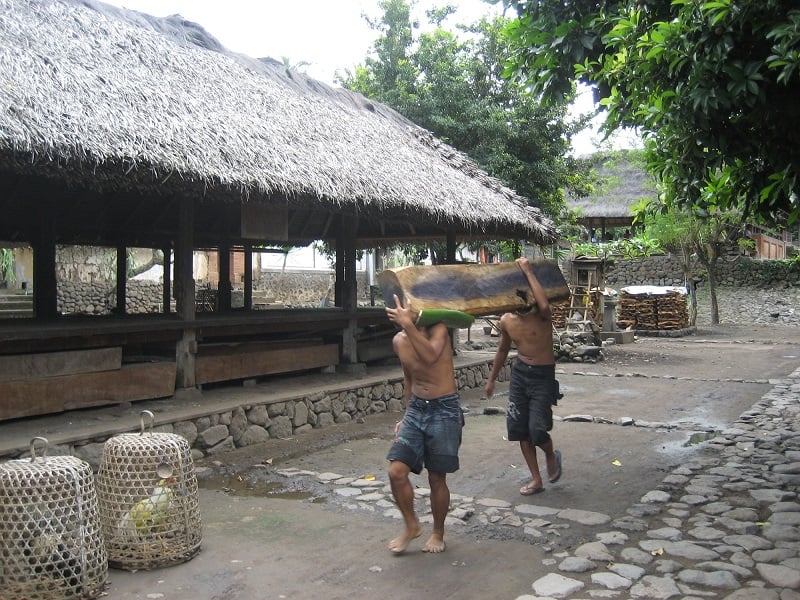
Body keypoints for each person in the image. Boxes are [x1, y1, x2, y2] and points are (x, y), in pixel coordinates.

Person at [384, 293, 464, 554]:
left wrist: (409, 324)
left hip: (444, 409)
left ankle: (438, 532)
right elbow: (409, 378)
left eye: (406, 306)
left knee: (436, 478)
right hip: (417, 409)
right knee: (396, 471)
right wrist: (406, 415)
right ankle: (411, 525)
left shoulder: (439, 329)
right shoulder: (399, 341)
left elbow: (429, 356)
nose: (402, 311)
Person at [485, 257, 563, 496]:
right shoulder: (507, 320)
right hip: (520, 375)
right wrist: (492, 378)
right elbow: (502, 349)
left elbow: (545, 306)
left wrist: (528, 271)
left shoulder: (541, 315)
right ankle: (536, 479)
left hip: (542, 376)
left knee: (537, 430)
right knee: (520, 430)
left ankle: (550, 453)